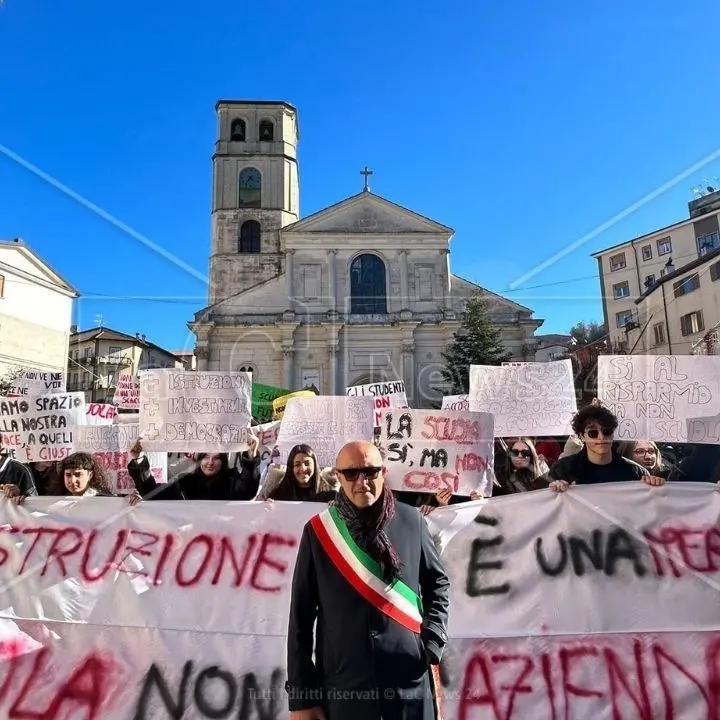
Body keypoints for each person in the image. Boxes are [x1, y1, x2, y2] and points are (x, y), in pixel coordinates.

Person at [286, 440, 450, 720]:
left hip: (408, 681)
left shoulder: (413, 521)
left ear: (383, 473)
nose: (362, 481)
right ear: (338, 477)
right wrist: (302, 698)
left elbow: (438, 584)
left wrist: (431, 642)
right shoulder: (318, 531)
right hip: (344, 686)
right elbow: (301, 617)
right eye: (351, 473)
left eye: (371, 472)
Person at [547, 405, 664, 491]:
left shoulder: (636, 472)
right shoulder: (562, 470)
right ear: (582, 436)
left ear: (613, 435)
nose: (601, 437)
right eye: (593, 433)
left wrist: (654, 486)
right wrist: (554, 488)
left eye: (607, 431)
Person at [128, 436, 261, 500]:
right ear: (199, 459)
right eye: (206, 457)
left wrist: (251, 455)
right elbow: (151, 493)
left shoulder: (232, 481)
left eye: (216, 458)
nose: (210, 462)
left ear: (224, 461)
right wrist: (138, 459)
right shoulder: (184, 483)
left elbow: (247, 490)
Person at [258, 444, 338, 502]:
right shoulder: (278, 495)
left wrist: (337, 510)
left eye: (307, 464)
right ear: (291, 468)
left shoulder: (330, 495)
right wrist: (268, 509)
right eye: (297, 464)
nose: (303, 468)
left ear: (315, 466)